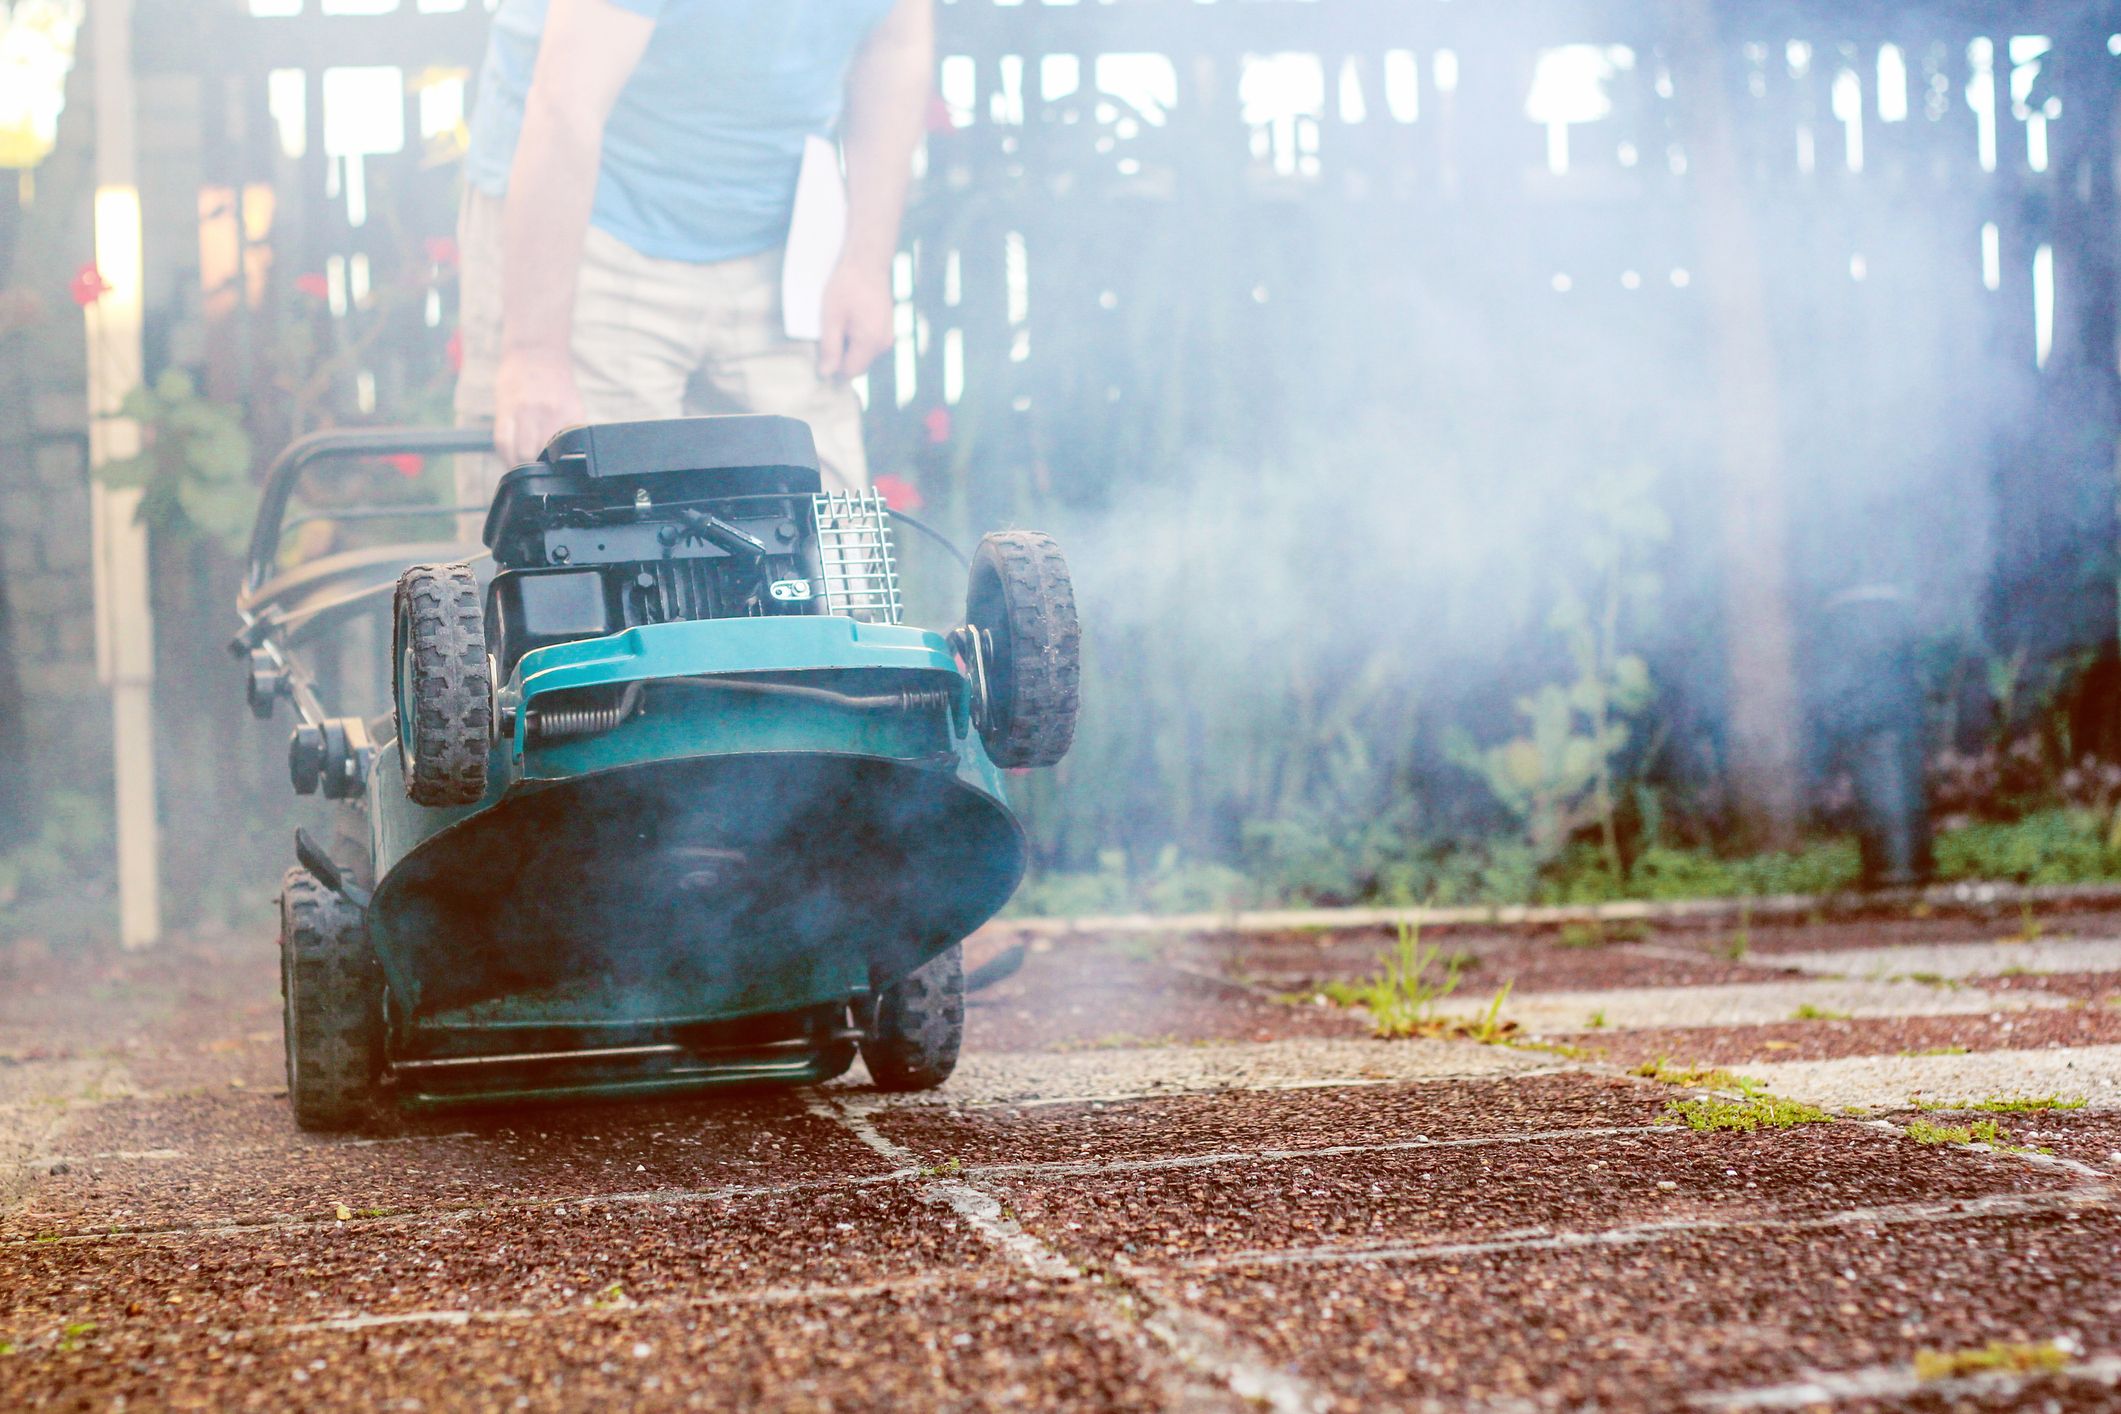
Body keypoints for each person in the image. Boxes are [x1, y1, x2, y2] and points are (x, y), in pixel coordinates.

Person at [454, 0, 931, 530]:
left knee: (831, 547)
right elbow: (566, 105)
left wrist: (865, 261)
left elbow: (897, 44)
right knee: (583, 546)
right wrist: (535, 354)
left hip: (775, 228)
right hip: (588, 222)